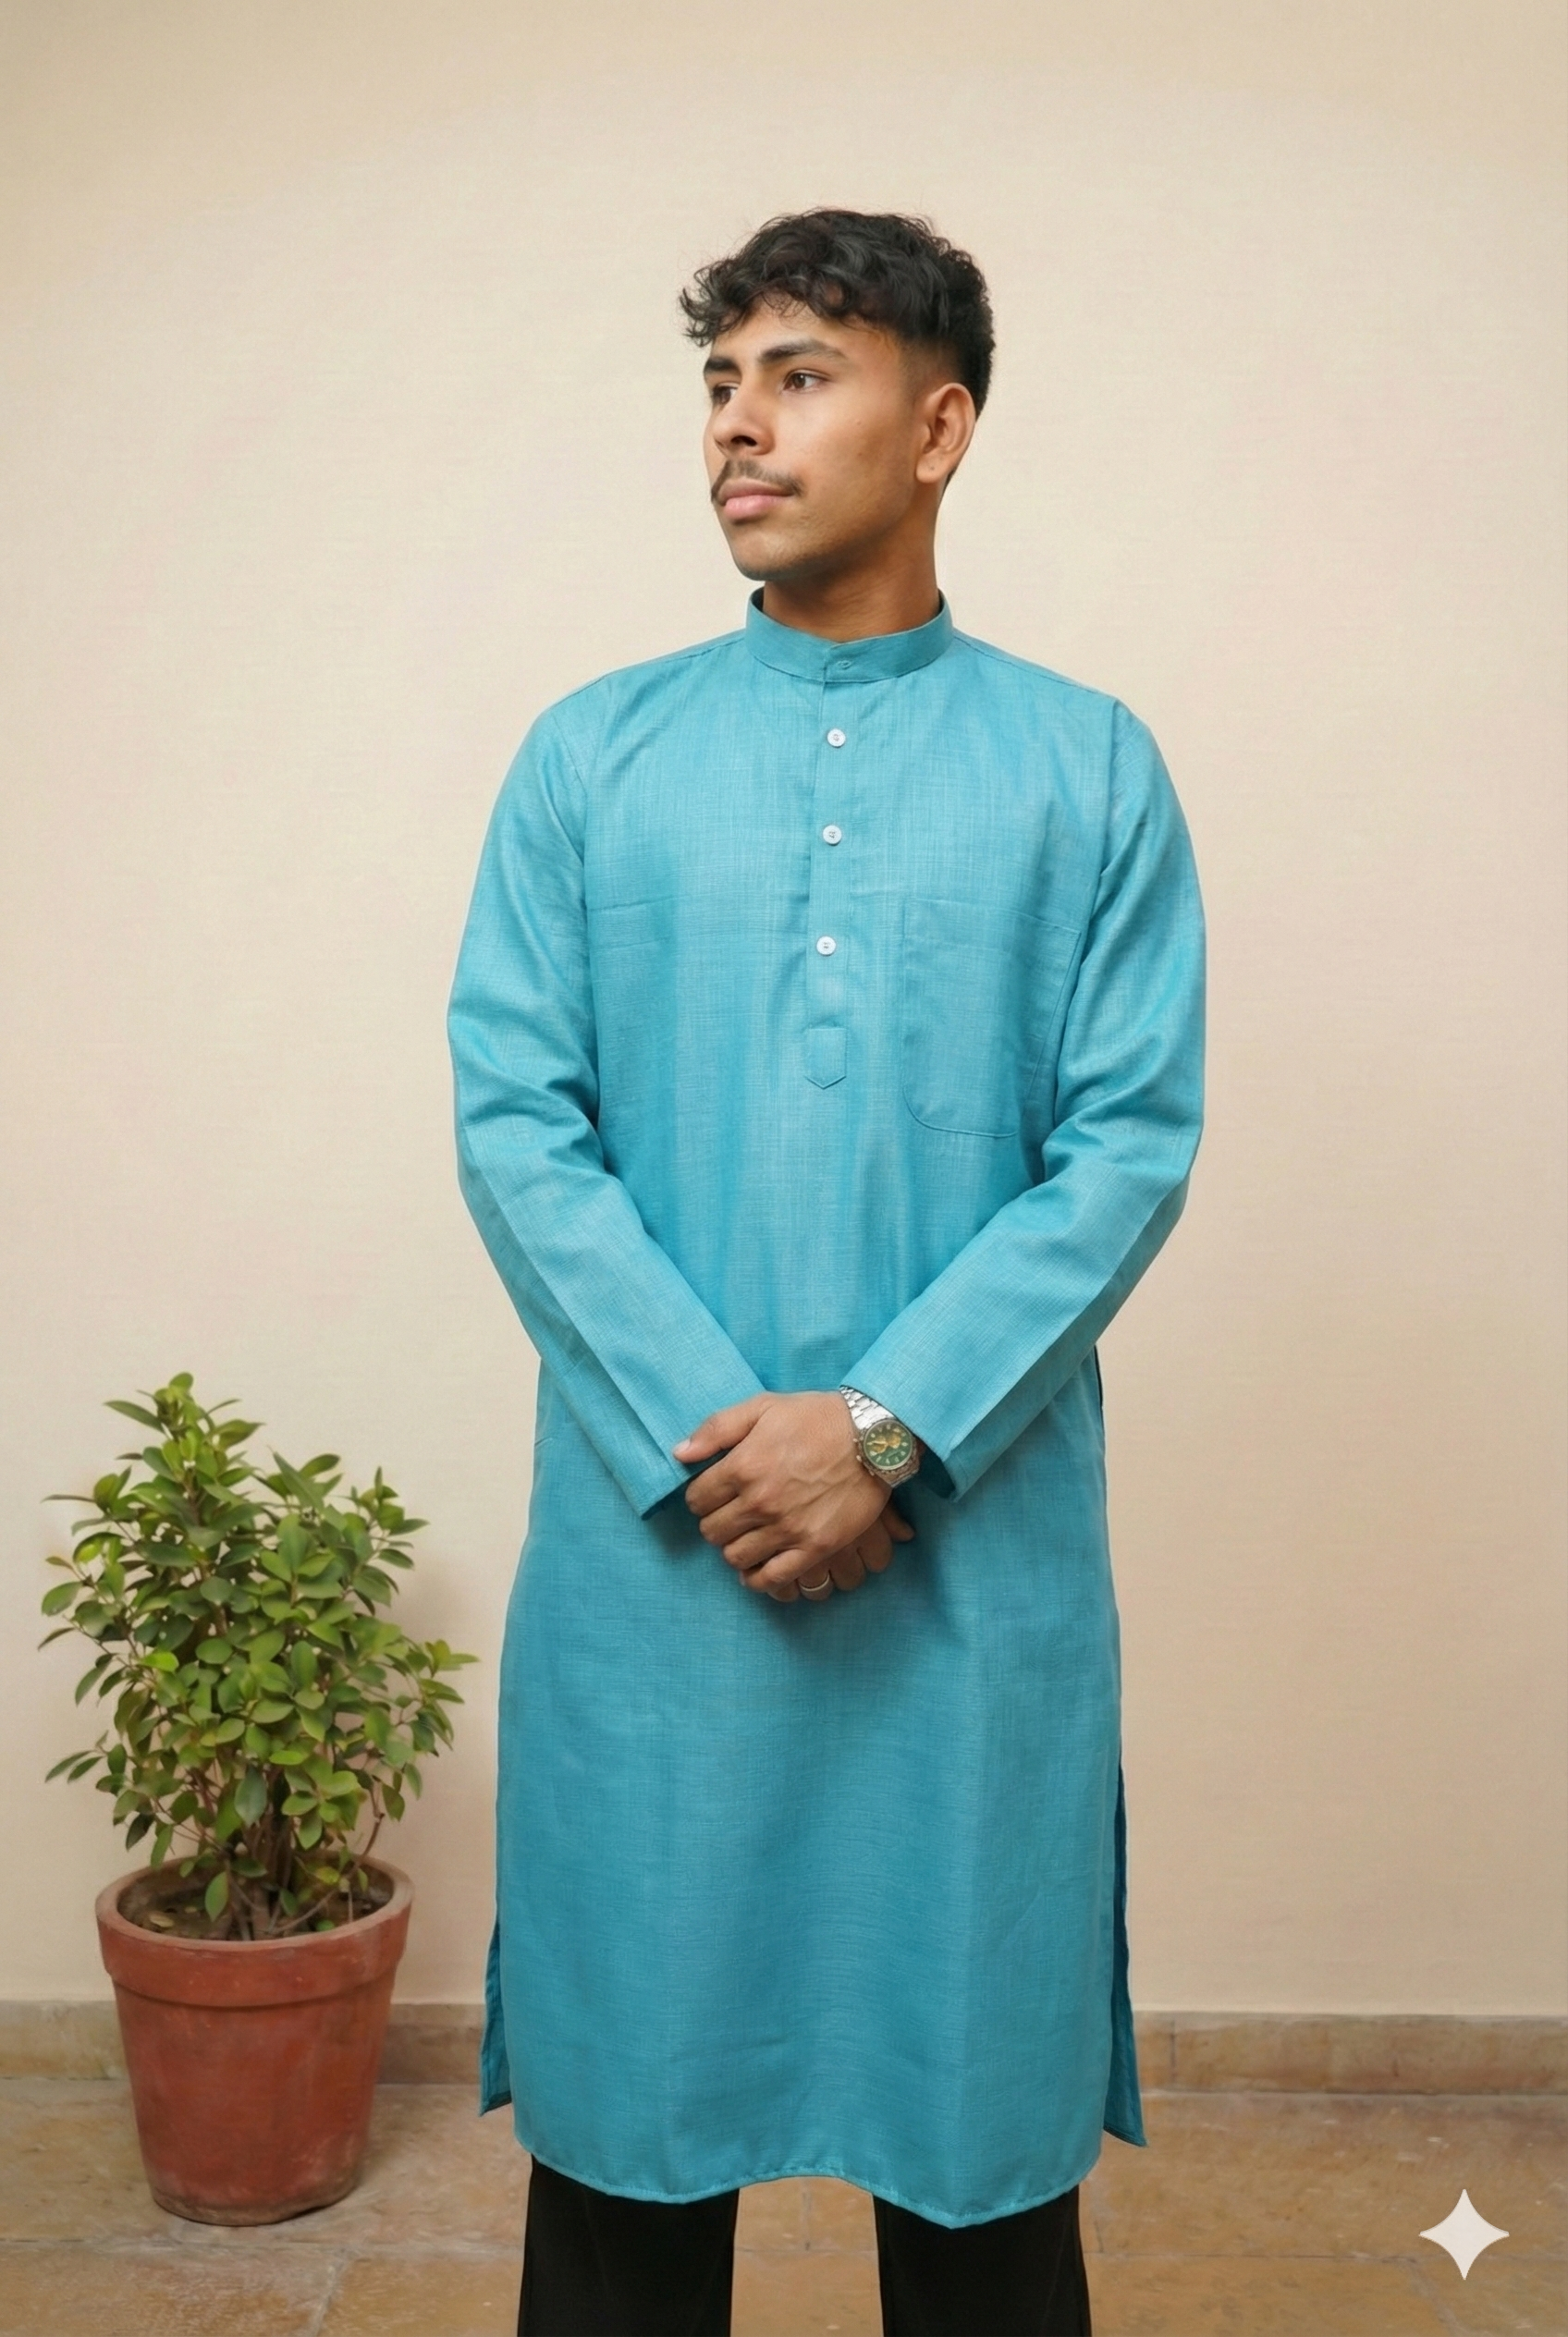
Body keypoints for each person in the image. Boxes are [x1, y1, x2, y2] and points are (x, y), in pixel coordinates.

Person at [447, 207, 1205, 2337]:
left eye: (797, 377)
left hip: (962, 1574)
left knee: (974, 2166)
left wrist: (878, 1429)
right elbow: (514, 1118)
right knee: (624, 2161)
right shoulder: (589, 755)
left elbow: (1124, 1145)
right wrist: (736, 1444)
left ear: (937, 427)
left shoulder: (1084, 765)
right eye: (718, 383)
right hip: (659, 1568)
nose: (735, 428)